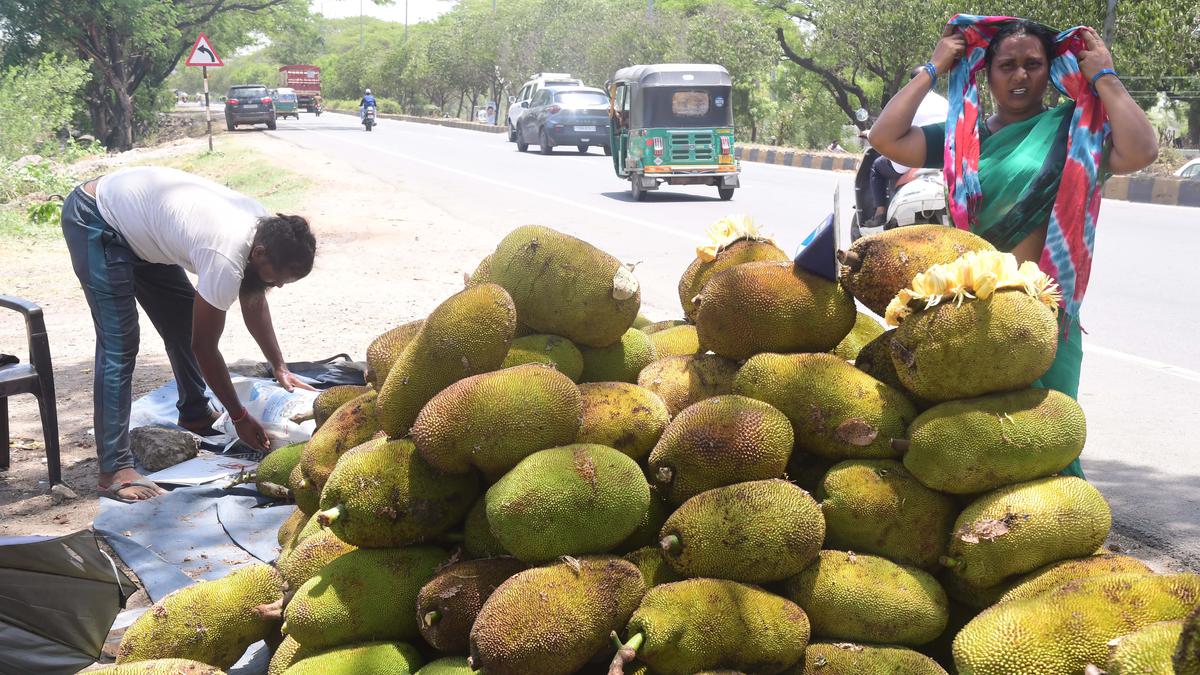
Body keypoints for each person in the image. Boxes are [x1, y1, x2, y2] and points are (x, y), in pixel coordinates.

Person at [869, 16, 1157, 478]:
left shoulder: (1076, 132)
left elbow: (1142, 151)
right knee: (984, 447)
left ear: (1051, 70)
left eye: (1032, 64)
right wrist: (933, 66)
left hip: (1045, 313)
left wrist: (1104, 75)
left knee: (1048, 441)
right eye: (1007, 65)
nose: (1020, 75)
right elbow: (885, 138)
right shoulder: (961, 138)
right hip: (976, 312)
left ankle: (1062, 533)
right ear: (986, 72)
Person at [59, 166, 319, 502]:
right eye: (277, 278)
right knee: (120, 343)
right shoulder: (226, 252)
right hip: (98, 218)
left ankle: (195, 413)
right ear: (258, 255)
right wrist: (238, 416)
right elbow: (205, 347)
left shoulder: (268, 233)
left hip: (143, 232)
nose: (279, 285)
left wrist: (279, 365)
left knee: (183, 320)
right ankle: (114, 470)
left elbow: (254, 302)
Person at [864, 91, 949, 228]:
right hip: (943, 157)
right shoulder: (944, 102)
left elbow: (888, 130)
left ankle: (880, 213)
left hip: (914, 156)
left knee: (877, 167)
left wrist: (870, 133)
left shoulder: (908, 99)